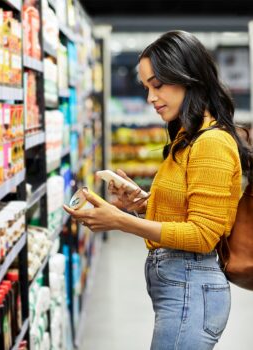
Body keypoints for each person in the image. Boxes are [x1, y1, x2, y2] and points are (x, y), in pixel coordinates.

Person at [63, 30, 253, 349]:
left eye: (158, 85)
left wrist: (120, 222)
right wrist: (140, 203)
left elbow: (203, 235)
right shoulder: (188, 137)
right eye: (146, 87)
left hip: (192, 292)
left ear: (189, 79)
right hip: (183, 291)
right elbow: (187, 211)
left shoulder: (212, 143)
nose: (150, 97)